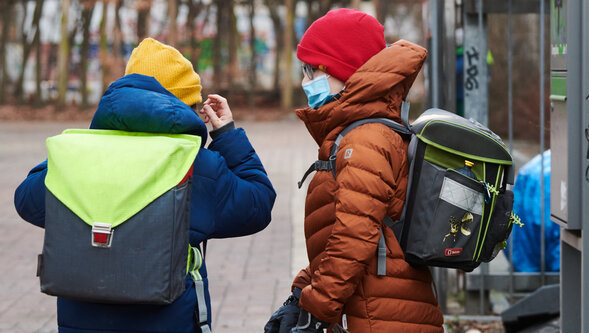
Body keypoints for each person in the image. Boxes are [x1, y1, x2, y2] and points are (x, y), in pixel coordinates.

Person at [14, 38, 276, 333]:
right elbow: (258, 202)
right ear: (184, 105)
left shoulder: (85, 154)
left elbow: (26, 198)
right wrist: (227, 133)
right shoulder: (195, 165)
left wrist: (86, 144)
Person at [265, 8, 444, 333]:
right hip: (375, 311)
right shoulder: (359, 134)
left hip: (378, 318)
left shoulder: (364, 141)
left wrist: (316, 309)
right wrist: (300, 293)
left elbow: (353, 239)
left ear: (344, 71)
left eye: (312, 71)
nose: (305, 82)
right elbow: (353, 233)